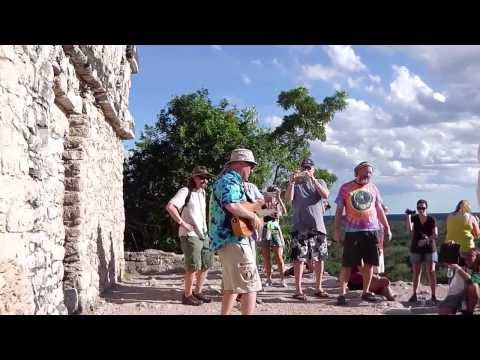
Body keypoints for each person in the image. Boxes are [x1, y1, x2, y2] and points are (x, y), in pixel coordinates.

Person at [209, 148, 263, 315]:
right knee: (251, 285)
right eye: (250, 166)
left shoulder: (227, 181)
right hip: (233, 240)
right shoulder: (230, 181)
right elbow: (231, 204)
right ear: (240, 165)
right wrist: (253, 217)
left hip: (225, 241)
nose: (252, 170)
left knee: (231, 286)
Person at [333, 161, 392, 305]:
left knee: (370, 263)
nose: (368, 175)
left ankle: (366, 292)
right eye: (365, 171)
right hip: (352, 231)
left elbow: (379, 209)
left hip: (372, 230)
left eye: (370, 172)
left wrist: (387, 227)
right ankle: (342, 294)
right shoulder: (346, 188)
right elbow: (339, 210)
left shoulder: (373, 188)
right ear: (357, 172)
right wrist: (336, 230)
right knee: (347, 264)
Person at [166, 166, 214, 306]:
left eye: (206, 178)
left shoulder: (203, 193)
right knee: (193, 266)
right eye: (201, 177)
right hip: (190, 234)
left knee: (206, 264)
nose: (204, 180)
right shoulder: (185, 191)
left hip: (203, 234)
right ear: (194, 178)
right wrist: (183, 223)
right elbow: (170, 206)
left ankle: (198, 292)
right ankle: (187, 295)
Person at [285, 158, 330, 301]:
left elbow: (325, 195)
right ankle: (298, 290)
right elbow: (288, 199)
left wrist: (313, 179)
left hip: (318, 226)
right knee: (299, 259)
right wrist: (291, 182)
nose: (306, 170)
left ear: (313, 169)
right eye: (304, 168)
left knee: (319, 258)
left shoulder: (320, 182)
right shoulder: (296, 184)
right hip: (300, 226)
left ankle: (318, 288)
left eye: (309, 168)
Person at [405, 199, 439, 304]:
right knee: (416, 272)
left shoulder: (431, 219)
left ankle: (433, 296)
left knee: (431, 272)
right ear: (417, 208)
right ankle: (414, 294)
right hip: (416, 249)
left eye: (423, 208)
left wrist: (425, 241)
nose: (421, 210)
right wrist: (408, 216)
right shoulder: (414, 218)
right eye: (419, 208)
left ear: (426, 208)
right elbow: (409, 230)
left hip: (429, 248)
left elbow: (436, 234)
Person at [259, 185, 288, 288]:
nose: (274, 195)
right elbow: (260, 214)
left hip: (274, 228)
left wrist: (279, 199)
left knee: (279, 256)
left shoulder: (277, 203)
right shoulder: (263, 203)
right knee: (266, 257)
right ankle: (268, 278)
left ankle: (282, 279)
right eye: (273, 192)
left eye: (276, 193)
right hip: (266, 228)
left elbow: (283, 212)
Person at [439, 248, 480, 315]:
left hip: (469, 297)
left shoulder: (478, 270)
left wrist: (458, 268)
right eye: (466, 256)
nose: (467, 258)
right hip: (454, 295)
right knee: (443, 312)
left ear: (477, 257)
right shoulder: (462, 263)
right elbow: (445, 260)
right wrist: (450, 247)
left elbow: (471, 281)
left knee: (473, 286)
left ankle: (468, 312)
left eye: (470, 255)